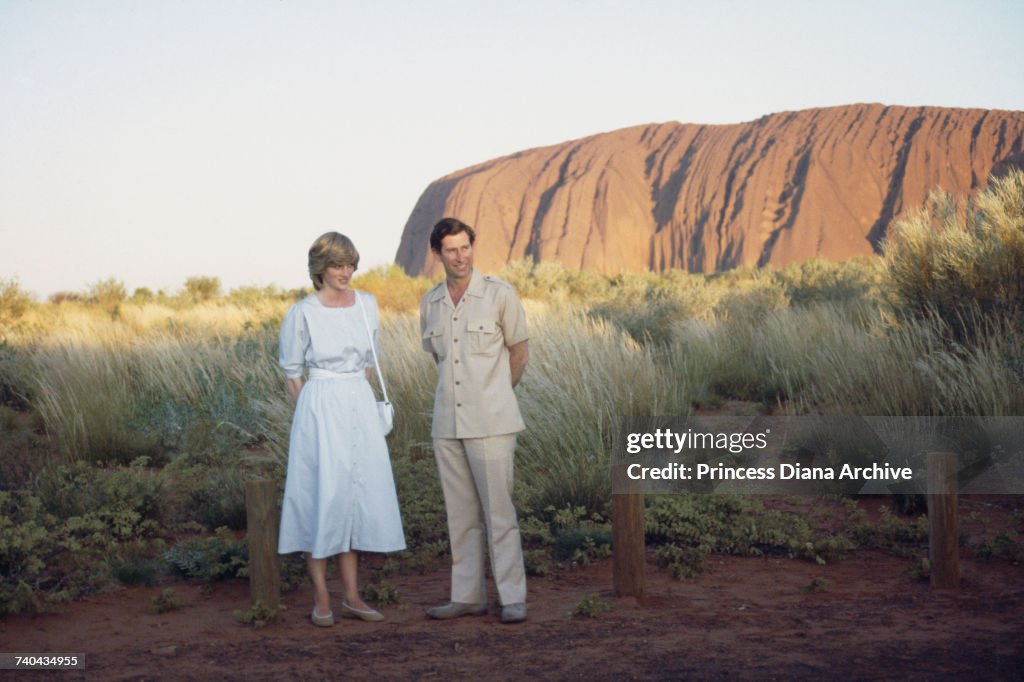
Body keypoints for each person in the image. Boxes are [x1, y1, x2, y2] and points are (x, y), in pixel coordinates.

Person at [277, 232, 406, 627]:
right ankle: (322, 599)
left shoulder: (367, 304)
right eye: (337, 265)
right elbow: (291, 370)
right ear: (320, 269)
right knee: (322, 495)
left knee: (355, 495)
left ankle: (352, 596)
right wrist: (312, 413)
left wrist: (355, 396)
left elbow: (370, 360)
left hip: (358, 403)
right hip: (319, 408)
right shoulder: (303, 312)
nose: (345, 272)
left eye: (350, 264)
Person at [419, 217, 530, 624]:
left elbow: (519, 351)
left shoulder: (499, 295)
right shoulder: (430, 303)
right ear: (438, 254)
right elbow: (440, 359)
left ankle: (512, 597)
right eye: (451, 249)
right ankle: (467, 596)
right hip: (447, 424)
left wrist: (497, 394)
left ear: (472, 248)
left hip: (493, 421)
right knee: (460, 515)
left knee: (499, 513)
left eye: (466, 247)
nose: (460, 256)